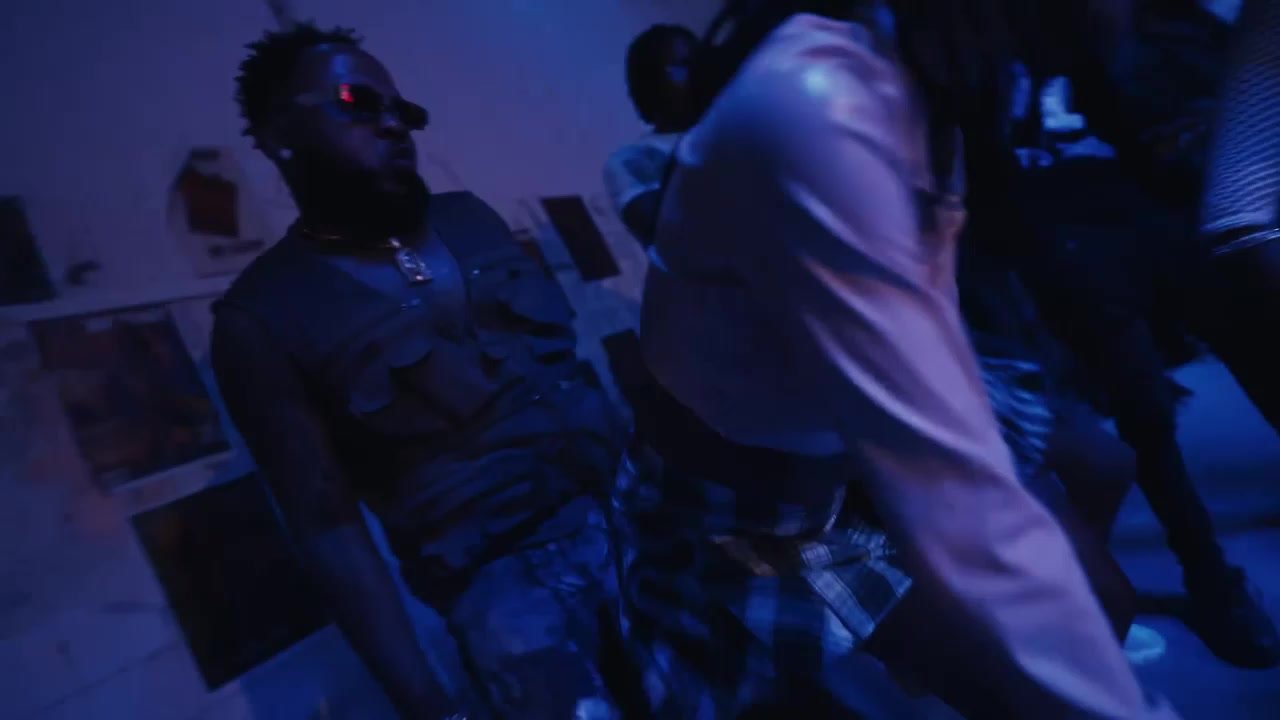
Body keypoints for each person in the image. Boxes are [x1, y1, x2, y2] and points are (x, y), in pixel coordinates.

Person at [612, 1, 1179, 717]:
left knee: (1100, 571)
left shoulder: (925, 84)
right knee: (1018, 677)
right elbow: (951, 493)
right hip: (767, 516)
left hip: (853, 452)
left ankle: (930, 645)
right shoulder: (809, 104)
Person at [212, 24, 625, 720]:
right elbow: (327, 530)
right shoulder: (261, 317)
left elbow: (571, 375)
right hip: (513, 605)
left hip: (637, 518)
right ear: (279, 133)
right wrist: (427, 704)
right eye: (357, 102)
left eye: (402, 110)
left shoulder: (470, 219)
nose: (393, 123)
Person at [1016, 0, 1280, 668]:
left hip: (1166, 216)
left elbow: (1228, 85)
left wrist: (1212, 119)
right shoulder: (992, 36)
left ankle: (1213, 584)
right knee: (1146, 417)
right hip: (1068, 237)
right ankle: (1211, 580)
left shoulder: (1165, 22)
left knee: (1259, 358)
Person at [603, 24, 698, 245]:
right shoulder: (630, 160)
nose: (699, 77)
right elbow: (667, 233)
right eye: (684, 67)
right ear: (650, 82)